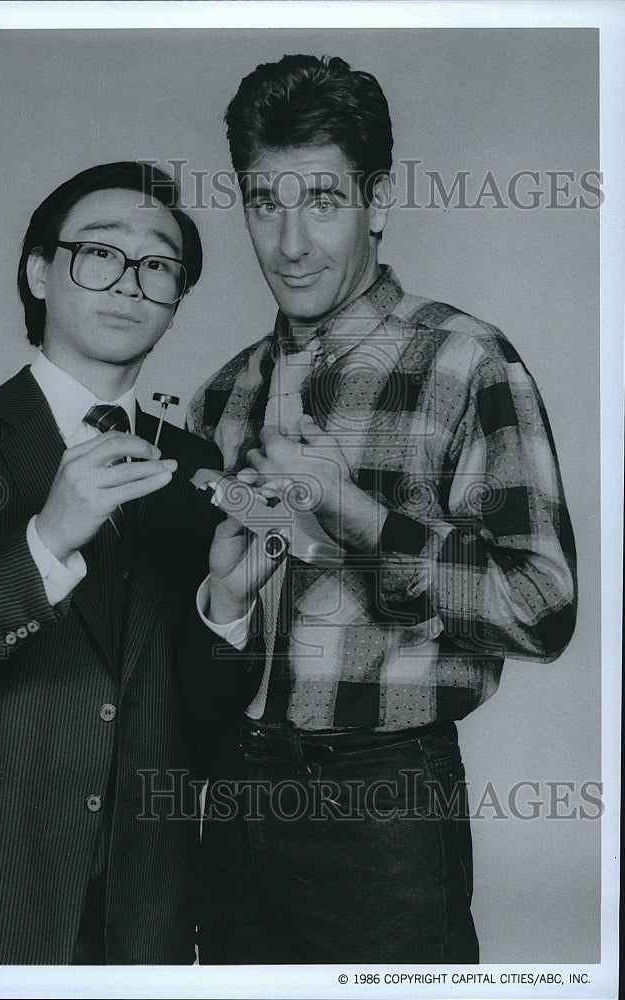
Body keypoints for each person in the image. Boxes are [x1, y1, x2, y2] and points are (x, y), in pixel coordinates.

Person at [190, 55, 578, 964]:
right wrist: (222, 607)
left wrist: (363, 520)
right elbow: (199, 653)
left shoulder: (468, 362)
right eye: (263, 202)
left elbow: (547, 610)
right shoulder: (224, 394)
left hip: (385, 802)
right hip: (233, 797)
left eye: (321, 201)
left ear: (376, 202)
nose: (290, 243)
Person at [0, 161, 244, 965]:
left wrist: (227, 603)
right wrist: (45, 540)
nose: (130, 282)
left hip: (149, 905)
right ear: (40, 271)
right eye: (102, 253)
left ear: (176, 299)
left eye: (159, 265)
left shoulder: (197, 464)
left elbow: (209, 715)